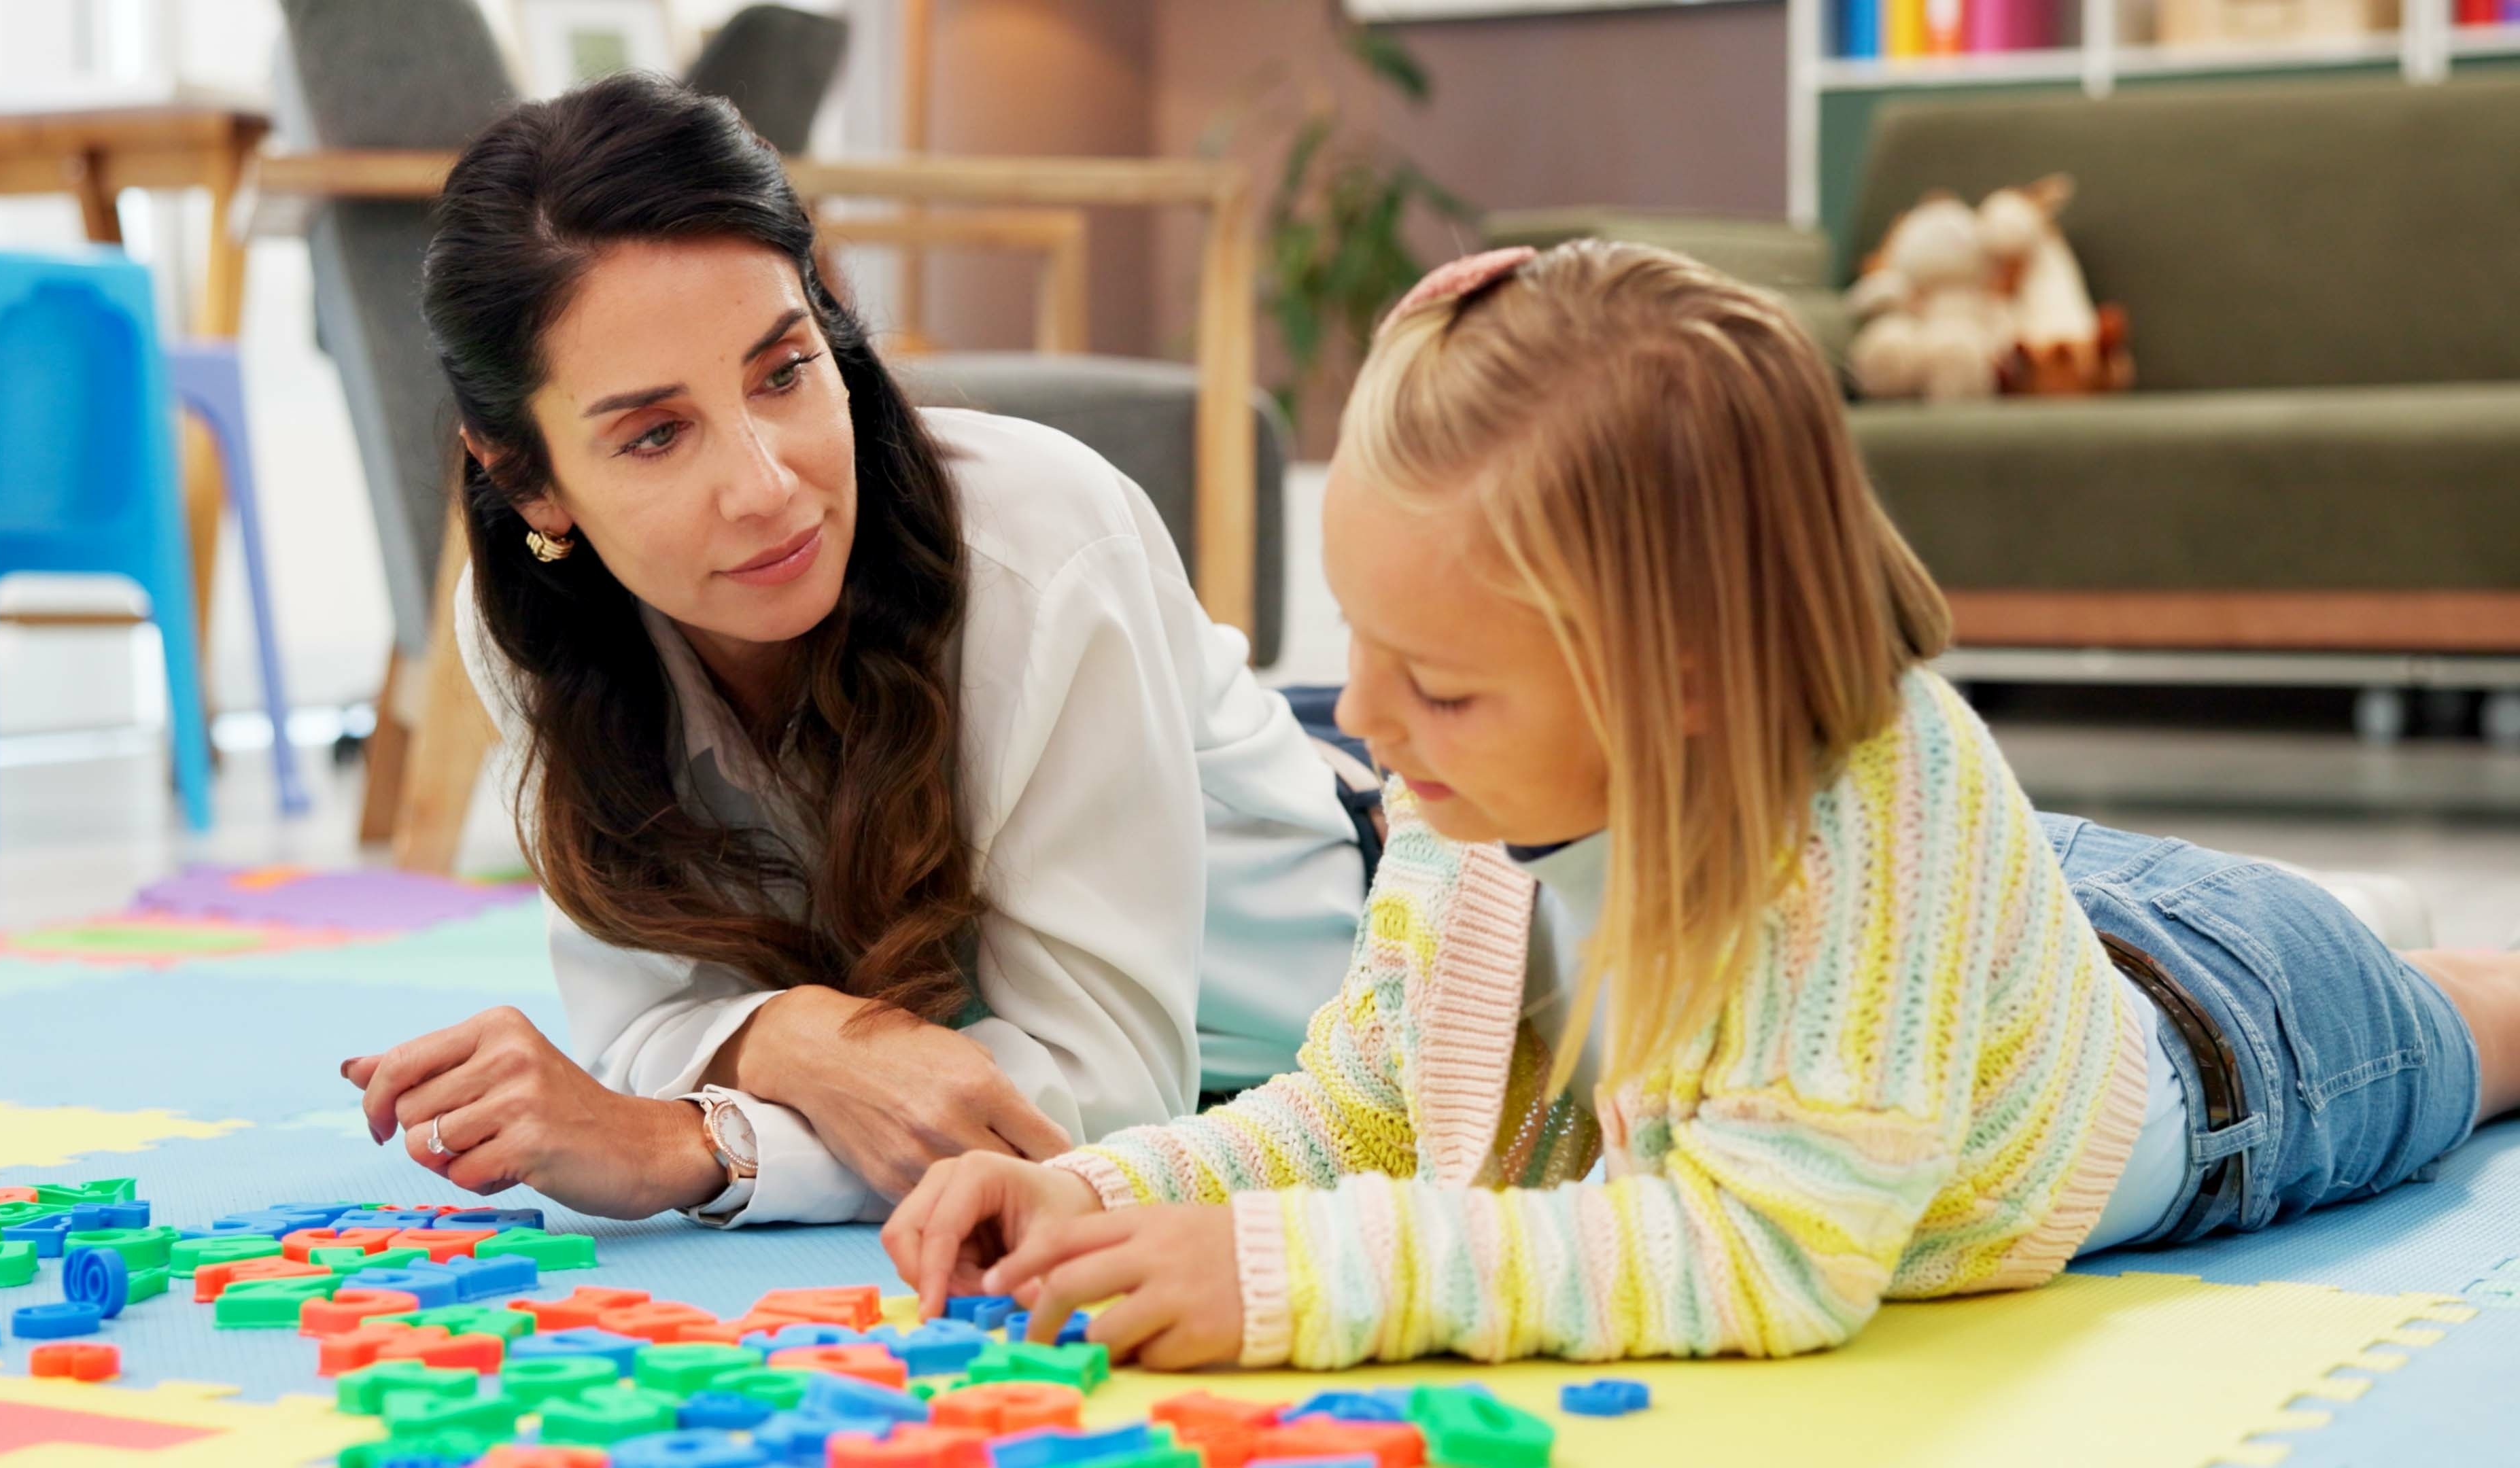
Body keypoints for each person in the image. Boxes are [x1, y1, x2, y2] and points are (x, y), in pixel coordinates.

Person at [883, 241, 2520, 1371]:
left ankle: (2392, 953)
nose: (1363, 724)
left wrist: (1290, 1278)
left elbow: (1775, 1255)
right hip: (1994, 949)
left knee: (2473, 1024)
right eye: (1359, 650)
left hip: (2231, 1048)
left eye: (1436, 684)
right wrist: (1106, 1194)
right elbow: (1366, 1112)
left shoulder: (1873, 810)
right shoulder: (1470, 784)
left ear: (1679, 681)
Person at [337, 73, 1373, 1225]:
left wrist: (701, 1142)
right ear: (529, 480)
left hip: (1362, 959)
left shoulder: (1046, 548)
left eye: (783, 372)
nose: (767, 487)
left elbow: (1105, 1110)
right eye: (656, 434)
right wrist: (793, 1035)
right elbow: (644, 1024)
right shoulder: (541, 626)